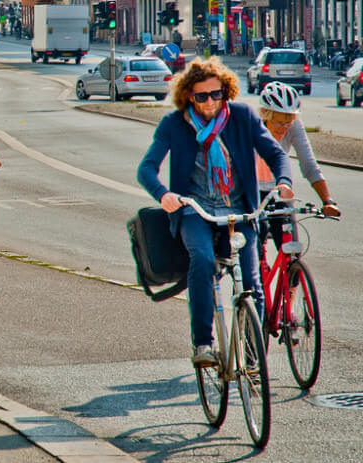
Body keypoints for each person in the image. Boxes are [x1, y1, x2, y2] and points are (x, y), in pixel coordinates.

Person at [137, 57, 294, 367]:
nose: (210, 102)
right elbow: (147, 169)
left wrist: (284, 182)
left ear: (226, 91)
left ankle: (253, 357)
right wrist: (164, 194)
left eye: (216, 94)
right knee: (204, 260)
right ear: (188, 96)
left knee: (251, 283)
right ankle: (203, 344)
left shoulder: (242, 117)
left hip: (239, 211)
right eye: (201, 96)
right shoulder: (173, 124)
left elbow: (275, 155)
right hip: (195, 211)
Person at [255, 82, 340, 253]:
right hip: (252, 191)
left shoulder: (293, 126)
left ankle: (292, 277)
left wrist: (327, 201)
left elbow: (309, 164)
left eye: (289, 121)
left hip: (280, 191)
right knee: (255, 243)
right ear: (265, 115)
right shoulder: (252, 127)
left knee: (291, 250)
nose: (284, 128)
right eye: (279, 122)